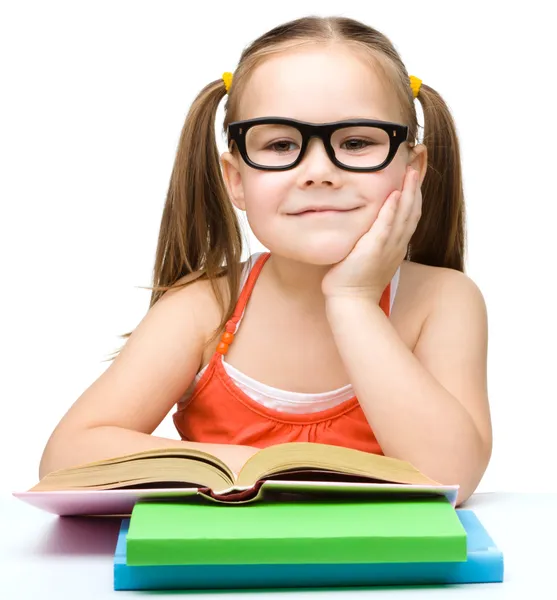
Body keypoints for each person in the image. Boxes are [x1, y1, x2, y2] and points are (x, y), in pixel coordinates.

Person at [39, 15, 492, 505]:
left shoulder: (441, 301)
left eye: (357, 143)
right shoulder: (206, 307)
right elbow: (65, 457)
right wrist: (250, 468)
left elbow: (450, 477)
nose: (319, 171)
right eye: (280, 145)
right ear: (235, 179)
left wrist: (354, 300)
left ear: (412, 168)